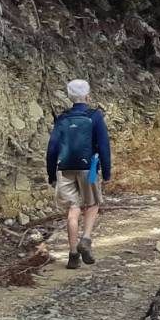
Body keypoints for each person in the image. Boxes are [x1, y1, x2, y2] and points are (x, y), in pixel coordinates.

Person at [47, 79, 111, 269]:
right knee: (92, 203)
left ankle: (73, 254)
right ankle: (86, 238)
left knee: (73, 209)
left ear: (69, 97)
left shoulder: (62, 119)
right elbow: (104, 146)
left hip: (64, 168)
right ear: (88, 96)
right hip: (89, 169)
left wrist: (51, 173)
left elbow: (52, 149)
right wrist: (106, 172)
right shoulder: (95, 116)